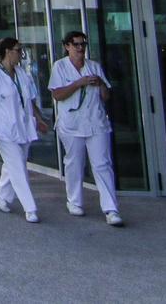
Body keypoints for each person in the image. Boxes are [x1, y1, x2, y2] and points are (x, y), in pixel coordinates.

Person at [49, 31, 124, 227]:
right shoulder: (60, 67)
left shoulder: (94, 66)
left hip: (96, 122)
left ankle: (111, 208)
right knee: (74, 162)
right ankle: (74, 201)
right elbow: (57, 95)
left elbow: (106, 96)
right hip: (72, 123)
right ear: (67, 46)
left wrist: (100, 85)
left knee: (102, 164)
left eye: (83, 44)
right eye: (76, 44)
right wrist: (78, 83)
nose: (80, 48)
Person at [0, 37, 49, 223]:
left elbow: (30, 100)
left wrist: (40, 119)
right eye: (18, 50)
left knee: (15, 164)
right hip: (4, 128)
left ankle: (0, 193)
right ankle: (30, 208)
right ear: (8, 51)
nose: (20, 54)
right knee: (17, 167)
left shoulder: (22, 73)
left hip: (23, 127)